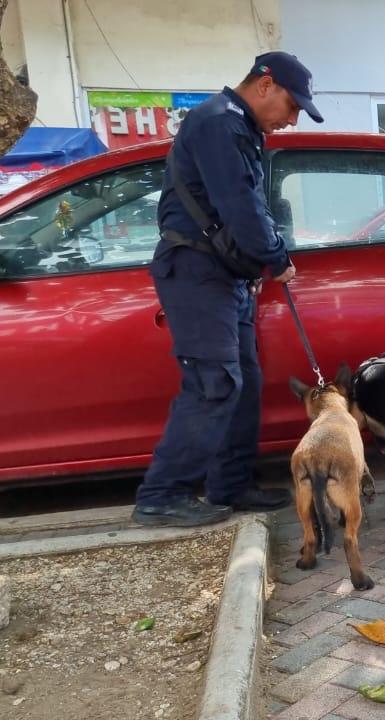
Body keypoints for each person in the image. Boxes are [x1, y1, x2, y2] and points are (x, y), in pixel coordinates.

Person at [132, 52, 322, 527]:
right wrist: (276, 256)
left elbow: (252, 203)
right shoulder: (219, 124)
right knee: (213, 383)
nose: (293, 118)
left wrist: (264, 255)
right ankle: (161, 495)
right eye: (292, 105)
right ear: (265, 85)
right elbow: (241, 206)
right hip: (196, 271)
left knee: (246, 383)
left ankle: (231, 485)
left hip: (226, 274)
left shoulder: (239, 127)